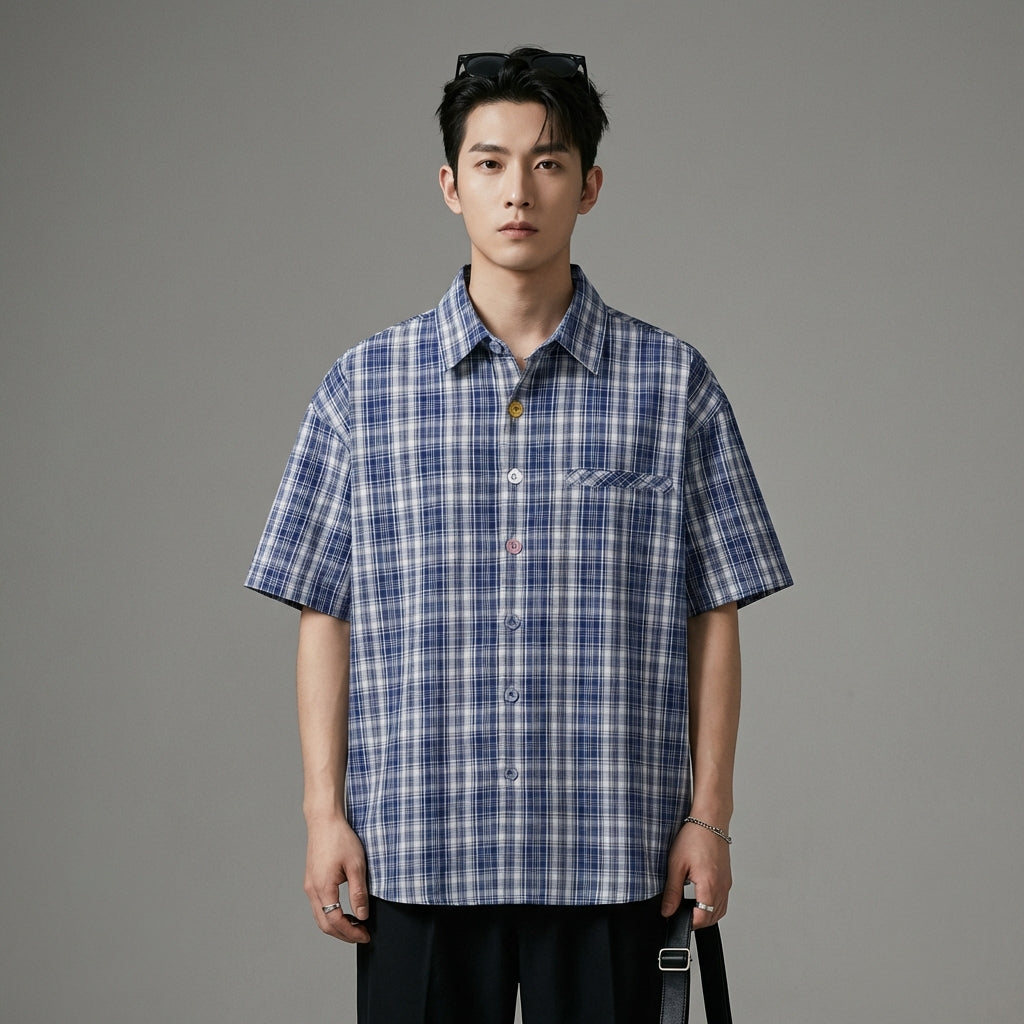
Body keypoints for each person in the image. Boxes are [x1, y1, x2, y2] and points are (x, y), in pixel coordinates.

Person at [246, 48, 792, 1024]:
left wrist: (709, 818)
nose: (518, 191)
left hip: (613, 856)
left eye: (547, 163)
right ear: (449, 184)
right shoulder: (362, 390)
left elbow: (713, 612)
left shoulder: (672, 386)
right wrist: (323, 815)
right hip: (417, 853)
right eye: (490, 162)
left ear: (589, 185)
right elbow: (325, 611)